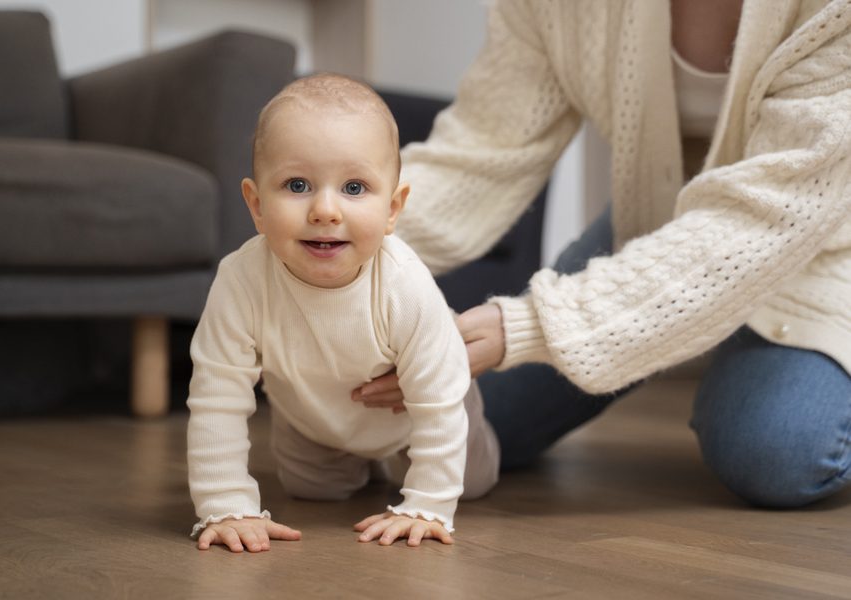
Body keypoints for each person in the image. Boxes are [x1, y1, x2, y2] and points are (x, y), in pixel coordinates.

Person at [354, 0, 851, 507]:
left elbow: (766, 216)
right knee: (466, 418)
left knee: (773, 450)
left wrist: (532, 326)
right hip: (656, 214)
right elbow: (480, 151)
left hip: (824, 225)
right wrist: (334, 245)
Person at [186, 73, 500, 553]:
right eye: (297, 185)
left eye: (354, 187)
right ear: (256, 205)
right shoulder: (241, 280)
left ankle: (449, 438)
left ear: (393, 208)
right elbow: (217, 397)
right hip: (311, 416)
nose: (325, 210)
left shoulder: (405, 285)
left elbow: (436, 403)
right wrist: (226, 503)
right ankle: (360, 463)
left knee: (471, 482)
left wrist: (427, 504)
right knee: (313, 492)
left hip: (410, 415)